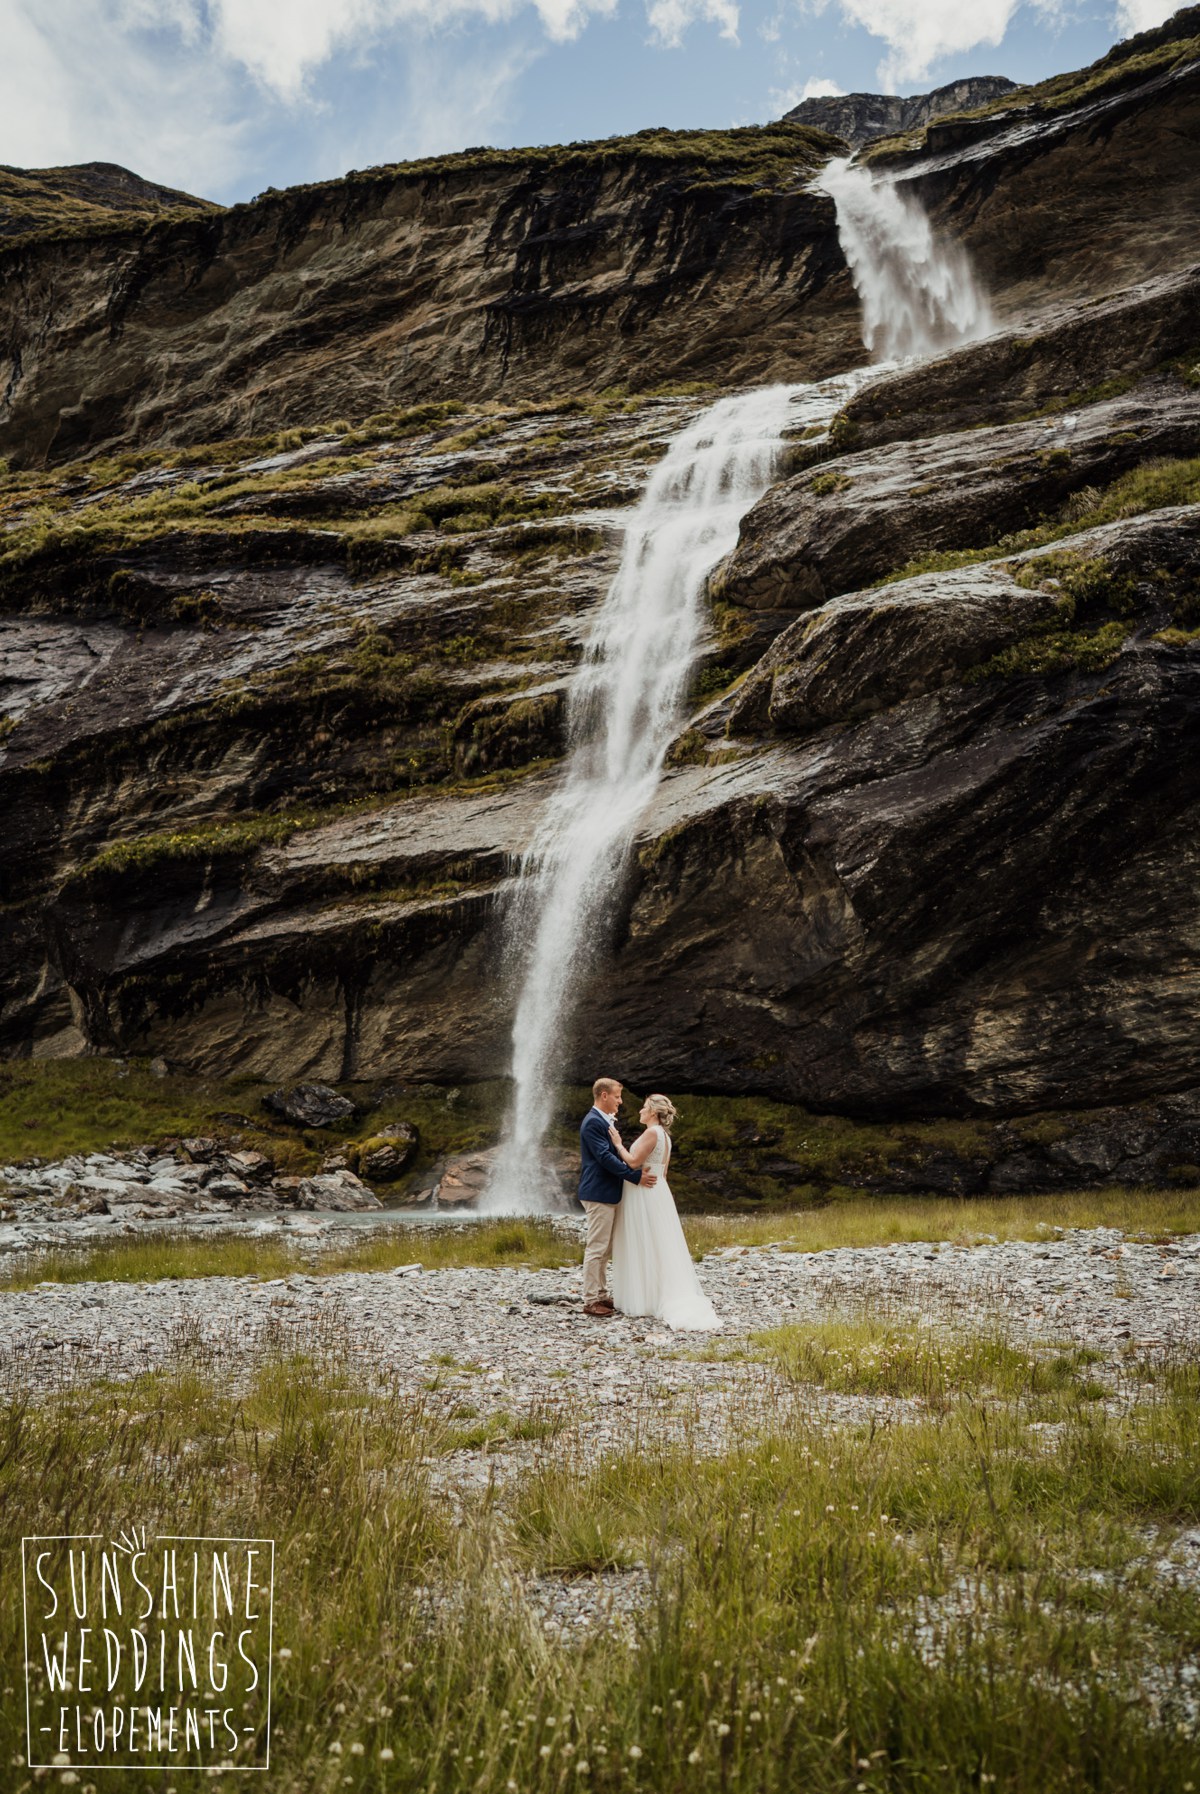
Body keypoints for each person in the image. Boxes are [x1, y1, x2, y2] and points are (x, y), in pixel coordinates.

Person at [608, 1094, 721, 1330]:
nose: (639, 1110)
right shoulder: (665, 1137)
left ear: (652, 1112)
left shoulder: (652, 1133)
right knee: (658, 1242)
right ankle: (654, 1292)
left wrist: (618, 1144)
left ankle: (646, 1297)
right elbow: (664, 1173)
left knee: (645, 1241)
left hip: (644, 1192)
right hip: (658, 1190)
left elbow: (633, 1162)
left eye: (644, 1107)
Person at [578, 1076, 656, 1318]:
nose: (621, 1102)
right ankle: (591, 1300)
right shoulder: (593, 1122)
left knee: (606, 1246)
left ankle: (601, 1294)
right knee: (597, 1246)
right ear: (604, 1096)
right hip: (598, 1191)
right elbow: (604, 1158)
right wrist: (634, 1176)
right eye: (617, 1096)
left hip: (607, 1191)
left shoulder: (603, 1121)